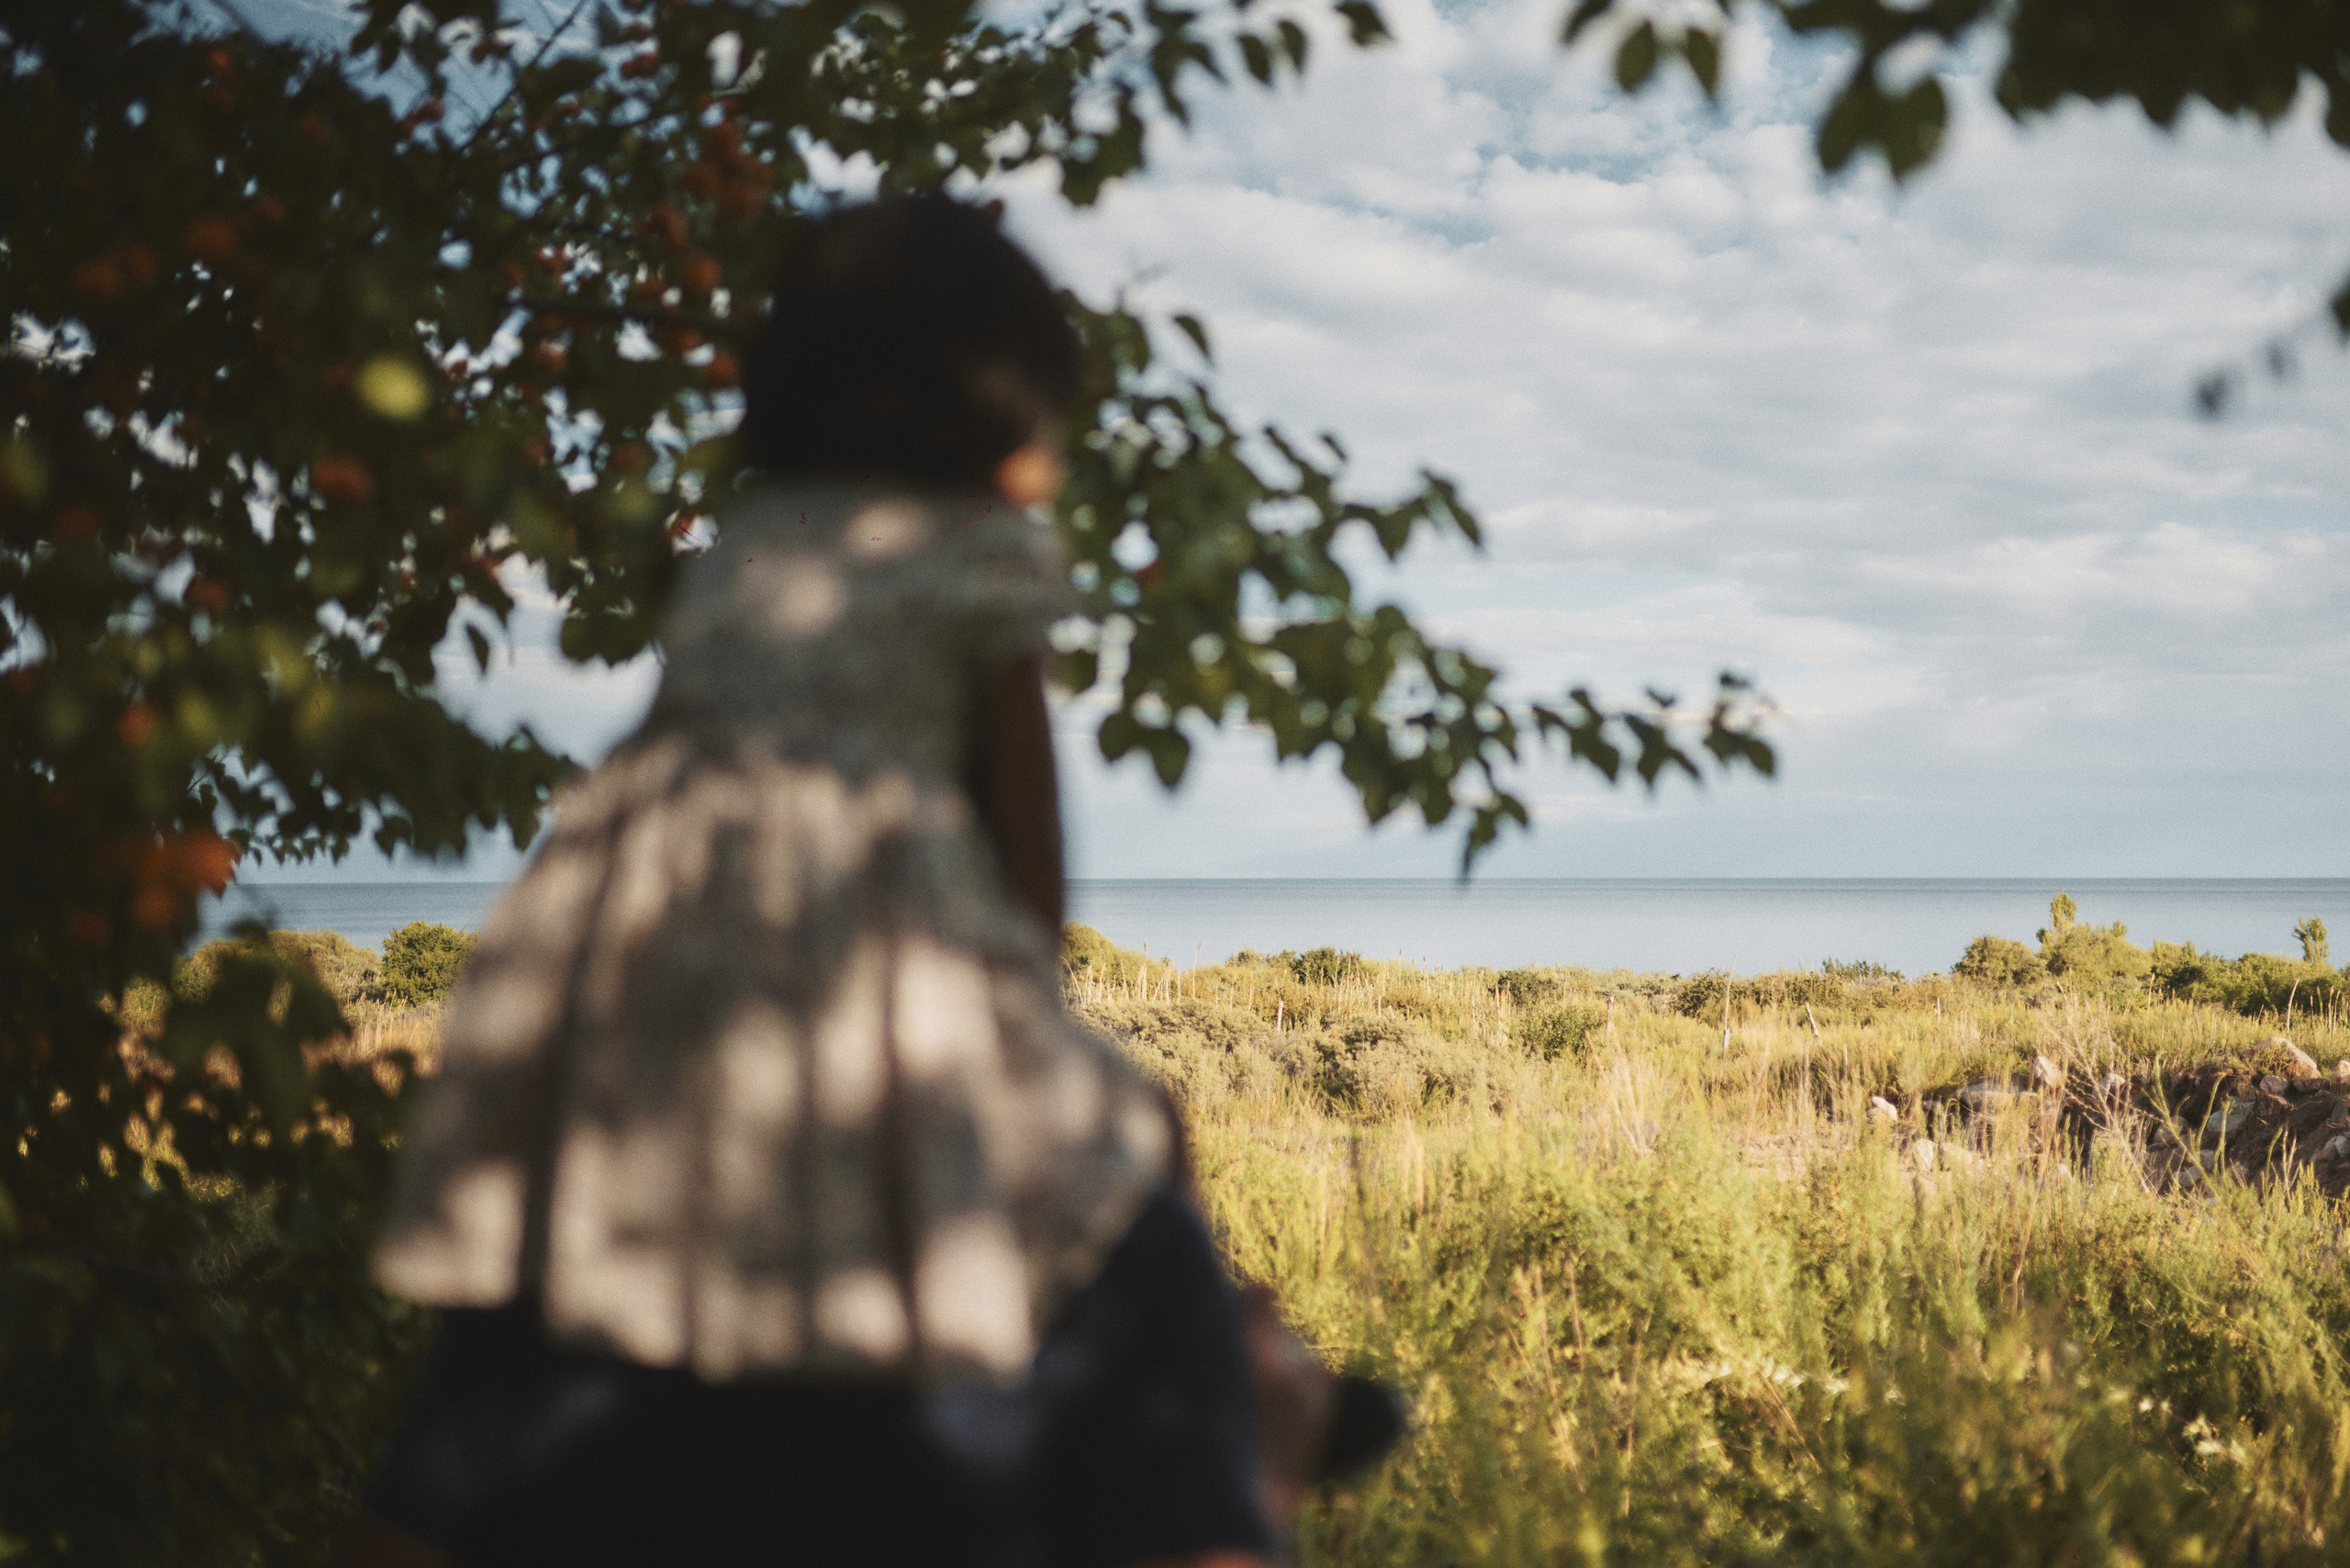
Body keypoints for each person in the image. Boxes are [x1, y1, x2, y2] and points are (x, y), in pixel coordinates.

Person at [343, 196, 1284, 1568]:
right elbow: (1032, 887)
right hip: (878, 989)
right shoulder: (982, 553)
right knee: (1143, 1151)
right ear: (1014, 436)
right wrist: (1053, 1054)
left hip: (650, 1024)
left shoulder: (746, 553)